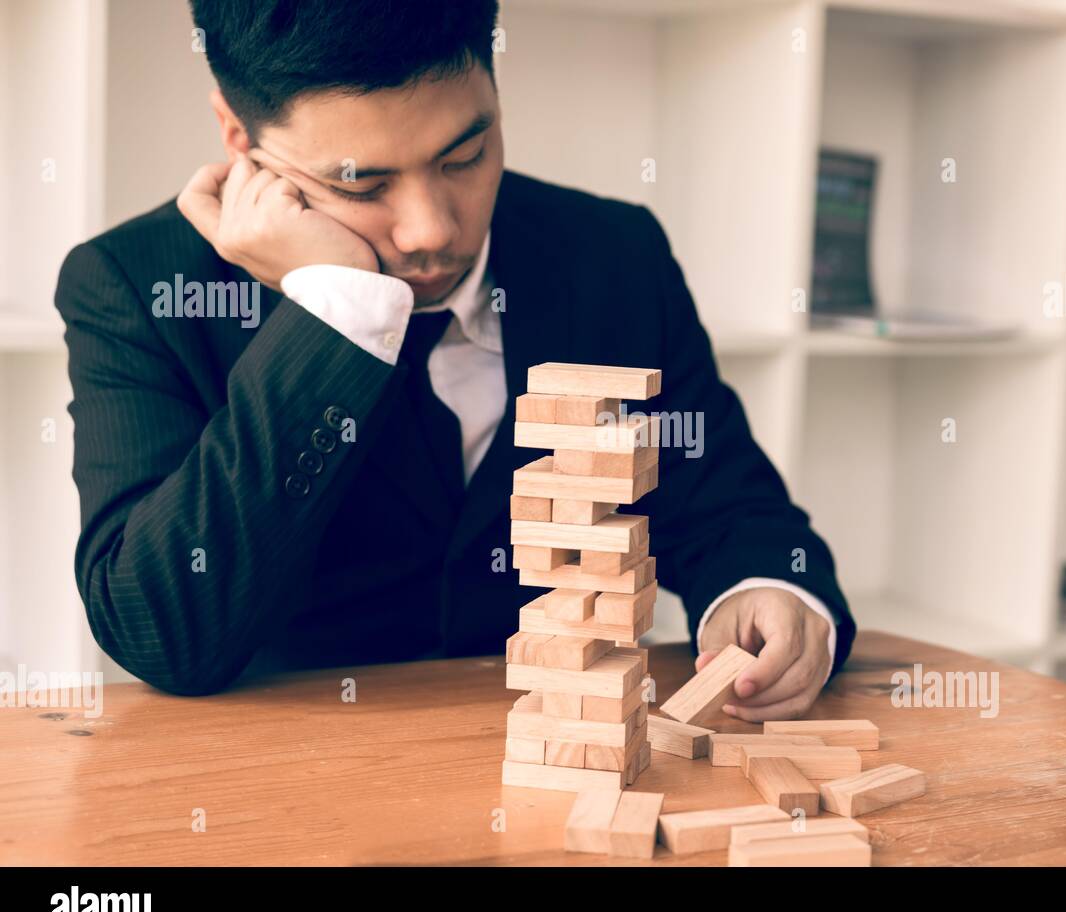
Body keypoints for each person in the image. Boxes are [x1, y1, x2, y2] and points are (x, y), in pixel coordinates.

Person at [54, 0, 856, 719]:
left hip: (559, 764)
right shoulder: (135, 287)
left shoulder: (614, 254)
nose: (432, 228)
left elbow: (728, 506)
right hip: (284, 792)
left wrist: (766, 591)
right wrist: (339, 314)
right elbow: (161, 629)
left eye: (464, 157)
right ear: (241, 141)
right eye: (362, 183)